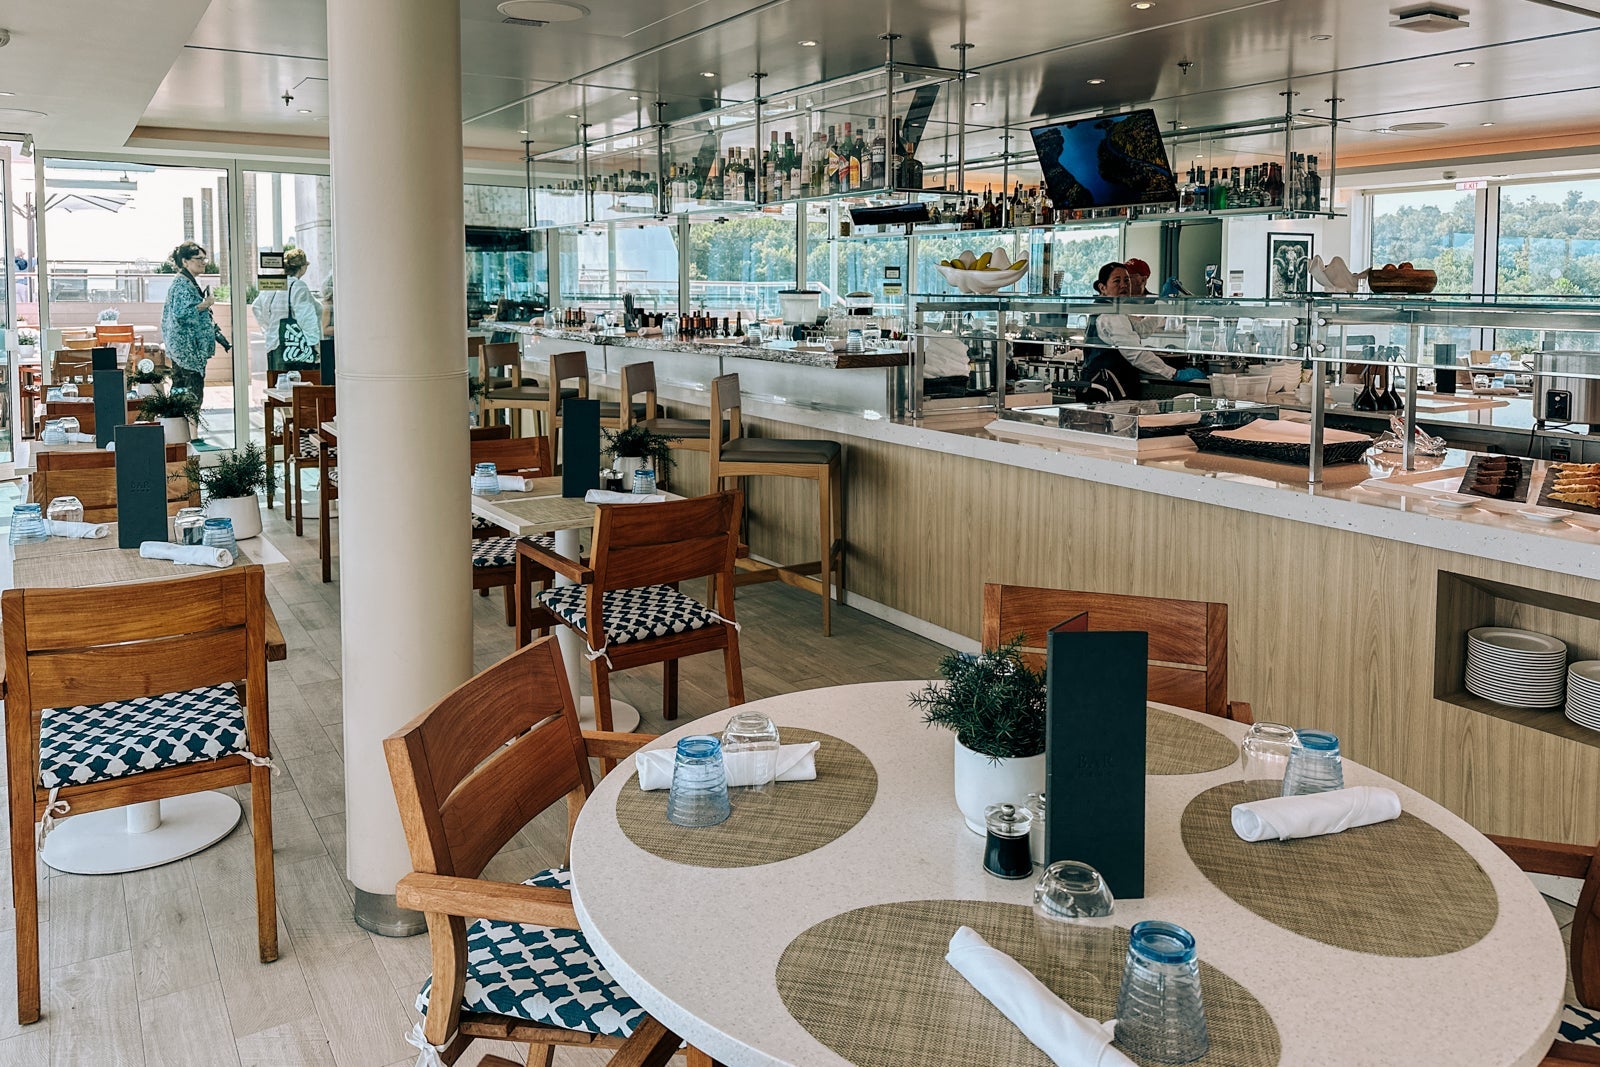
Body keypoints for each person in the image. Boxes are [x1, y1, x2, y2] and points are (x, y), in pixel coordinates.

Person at [1080, 262, 1201, 402]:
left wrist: (1162, 302)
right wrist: (1173, 374)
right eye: (1117, 281)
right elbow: (1136, 354)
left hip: (1100, 387)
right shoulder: (1111, 316)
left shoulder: (1111, 310)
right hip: (1107, 391)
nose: (1124, 285)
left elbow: (1142, 330)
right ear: (1102, 287)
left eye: (1126, 280)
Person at [160, 240, 224, 399]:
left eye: (205, 259)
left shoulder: (186, 281)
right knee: (191, 399)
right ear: (185, 262)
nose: (204, 262)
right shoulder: (182, 284)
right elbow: (182, 314)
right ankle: (190, 425)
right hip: (187, 353)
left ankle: (185, 424)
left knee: (182, 396)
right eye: (199, 259)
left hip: (187, 352)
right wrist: (205, 304)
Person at [252, 248, 322, 373]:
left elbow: (256, 307)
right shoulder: (298, 286)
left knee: (277, 384)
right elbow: (306, 319)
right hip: (296, 348)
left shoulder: (276, 283)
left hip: (274, 344)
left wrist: (270, 327)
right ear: (302, 267)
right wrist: (316, 346)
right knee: (299, 387)